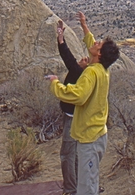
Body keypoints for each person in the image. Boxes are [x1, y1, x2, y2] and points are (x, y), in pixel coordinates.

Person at [47, 12, 120, 195]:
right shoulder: (103, 68)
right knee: (90, 179)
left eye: (98, 45)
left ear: (100, 54)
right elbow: (91, 43)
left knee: (87, 187)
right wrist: (84, 25)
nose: (95, 43)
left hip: (90, 137)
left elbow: (78, 96)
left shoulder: (91, 73)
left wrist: (55, 84)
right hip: (98, 134)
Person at [56, 19, 88, 195]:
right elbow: (68, 56)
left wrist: (61, 37)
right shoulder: (88, 74)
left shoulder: (78, 72)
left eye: (86, 59)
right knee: (75, 152)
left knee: (67, 153)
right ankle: (77, 186)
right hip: (79, 116)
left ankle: (70, 189)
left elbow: (66, 56)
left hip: (71, 117)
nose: (83, 58)